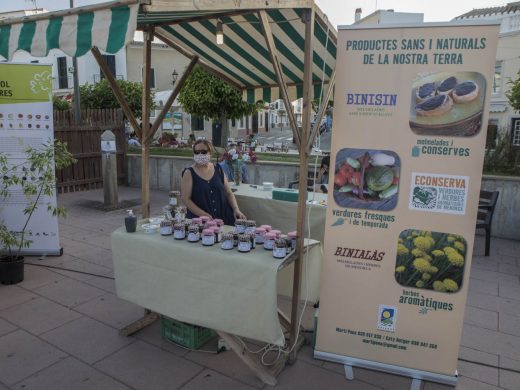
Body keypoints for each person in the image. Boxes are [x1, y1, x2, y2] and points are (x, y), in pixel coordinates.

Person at [181, 140, 246, 225]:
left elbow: (228, 192)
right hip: (201, 221)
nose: (200, 154)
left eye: (203, 152)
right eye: (196, 152)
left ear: (210, 152)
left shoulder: (218, 169)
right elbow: (186, 199)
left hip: (224, 217)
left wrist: (236, 209)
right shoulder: (189, 173)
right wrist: (203, 215)